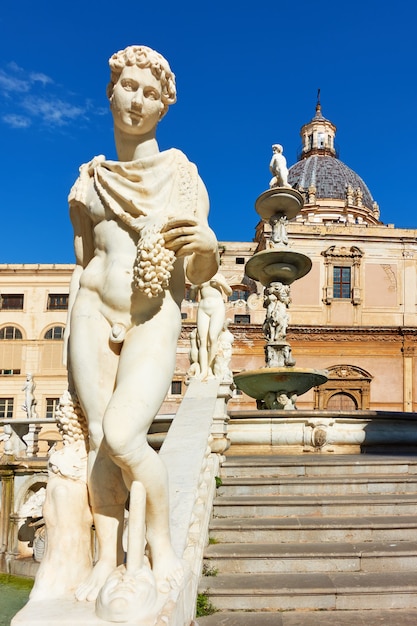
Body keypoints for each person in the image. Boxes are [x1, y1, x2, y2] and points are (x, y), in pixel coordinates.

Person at [65, 45, 219, 603]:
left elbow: (197, 270)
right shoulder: (90, 180)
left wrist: (209, 248)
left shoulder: (182, 175)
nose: (137, 99)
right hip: (90, 313)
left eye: (151, 94)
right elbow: (87, 259)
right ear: (112, 92)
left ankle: (163, 549)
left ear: (163, 107)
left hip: (153, 312)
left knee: (126, 434)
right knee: (99, 442)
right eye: (129, 87)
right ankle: (105, 560)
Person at [190, 273, 232, 379]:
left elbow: (229, 292)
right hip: (203, 308)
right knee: (202, 340)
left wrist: (220, 283)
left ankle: (210, 368)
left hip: (217, 307)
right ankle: (203, 371)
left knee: (213, 337)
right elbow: (191, 296)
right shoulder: (200, 277)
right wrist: (194, 287)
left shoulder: (218, 276)